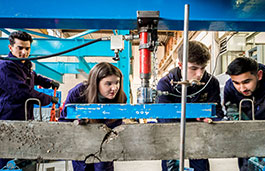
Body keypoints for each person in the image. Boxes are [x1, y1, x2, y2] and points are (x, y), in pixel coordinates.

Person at [157, 41, 224, 171]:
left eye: (203, 68)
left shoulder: (211, 82)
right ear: (180, 65)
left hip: (199, 136)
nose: (199, 74)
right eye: (193, 68)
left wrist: (211, 119)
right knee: (171, 166)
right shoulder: (165, 84)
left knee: (201, 166)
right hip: (172, 135)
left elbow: (217, 112)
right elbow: (164, 119)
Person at [0, 31, 59, 169]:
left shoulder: (25, 65)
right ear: (10, 48)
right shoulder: (5, 67)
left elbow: (32, 76)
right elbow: (23, 92)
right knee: (8, 161)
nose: (24, 52)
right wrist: (49, 98)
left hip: (24, 119)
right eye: (20, 48)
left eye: (27, 48)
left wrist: (48, 82)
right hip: (8, 121)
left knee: (24, 159)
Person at [60, 62, 127, 171]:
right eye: (108, 83)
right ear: (96, 83)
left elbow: (116, 124)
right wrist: (78, 122)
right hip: (81, 143)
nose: (114, 88)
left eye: (117, 83)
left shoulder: (121, 98)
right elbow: (63, 121)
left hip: (105, 144)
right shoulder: (77, 93)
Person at [224, 57, 265, 171]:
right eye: (236, 83)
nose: (242, 88)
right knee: (247, 163)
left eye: (246, 82)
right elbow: (230, 109)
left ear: (259, 75)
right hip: (246, 130)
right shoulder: (230, 88)